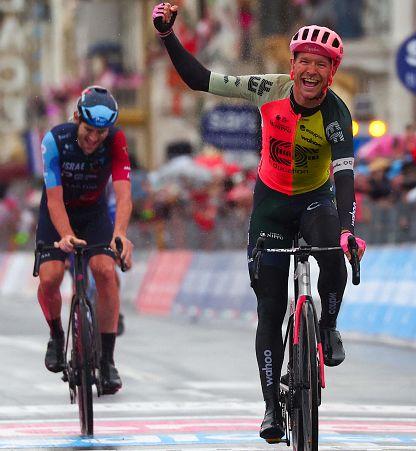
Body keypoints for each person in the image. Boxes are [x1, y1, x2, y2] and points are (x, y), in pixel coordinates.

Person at [152, 3, 366, 442]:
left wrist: (348, 231)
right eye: (304, 62)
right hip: (271, 204)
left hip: (316, 199)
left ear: (331, 73)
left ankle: (328, 326)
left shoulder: (337, 115)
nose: (311, 71)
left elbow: (345, 176)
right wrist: (168, 36)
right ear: (292, 65)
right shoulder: (267, 88)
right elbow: (199, 79)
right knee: (269, 308)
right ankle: (271, 407)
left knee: (332, 253)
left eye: (321, 65)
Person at [35, 85, 134, 395]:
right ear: (77, 118)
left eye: (101, 133)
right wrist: (65, 235)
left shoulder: (116, 140)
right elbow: (54, 200)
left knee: (105, 271)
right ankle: (56, 335)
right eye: (89, 130)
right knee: (50, 277)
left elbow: (123, 194)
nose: (94, 139)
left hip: (93, 215)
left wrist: (120, 233)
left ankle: (107, 361)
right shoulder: (55, 140)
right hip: (57, 212)